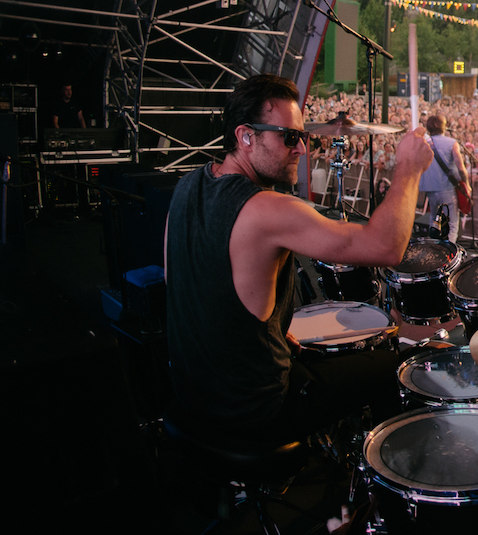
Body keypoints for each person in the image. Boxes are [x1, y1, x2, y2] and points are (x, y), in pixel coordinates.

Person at [164, 73, 433, 445]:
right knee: (399, 368)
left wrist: (262, 335)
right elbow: (385, 247)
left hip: (194, 397)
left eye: (303, 137)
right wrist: (409, 169)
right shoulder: (267, 209)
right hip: (253, 412)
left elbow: (184, 283)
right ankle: (383, 490)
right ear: (246, 136)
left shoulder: (185, 187)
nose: (301, 149)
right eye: (289, 137)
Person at [417, 114, 468, 241]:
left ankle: (433, 250)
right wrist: (466, 184)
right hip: (447, 189)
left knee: (434, 221)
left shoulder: (423, 144)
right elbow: (461, 168)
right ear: (444, 126)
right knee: (452, 225)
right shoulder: (452, 143)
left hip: (430, 189)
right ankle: (451, 254)